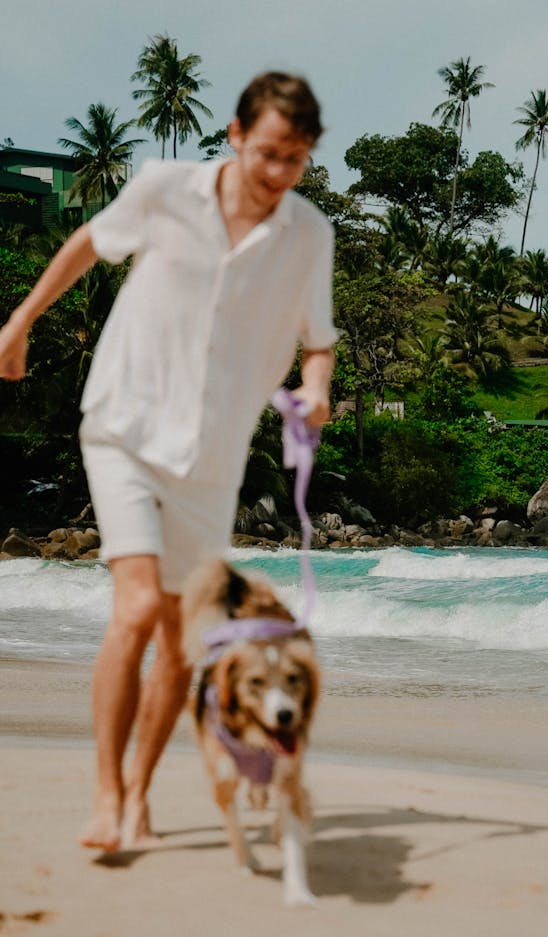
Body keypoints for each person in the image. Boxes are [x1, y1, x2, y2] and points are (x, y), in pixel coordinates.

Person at [0, 72, 336, 852]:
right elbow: (89, 243)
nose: (278, 173)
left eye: (296, 159)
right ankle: (106, 789)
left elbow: (317, 339)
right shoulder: (164, 188)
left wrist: (315, 390)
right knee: (138, 607)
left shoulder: (309, 234)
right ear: (234, 134)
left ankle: (141, 794)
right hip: (123, 422)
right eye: (267, 153)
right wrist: (19, 322)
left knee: (181, 643)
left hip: (211, 458)